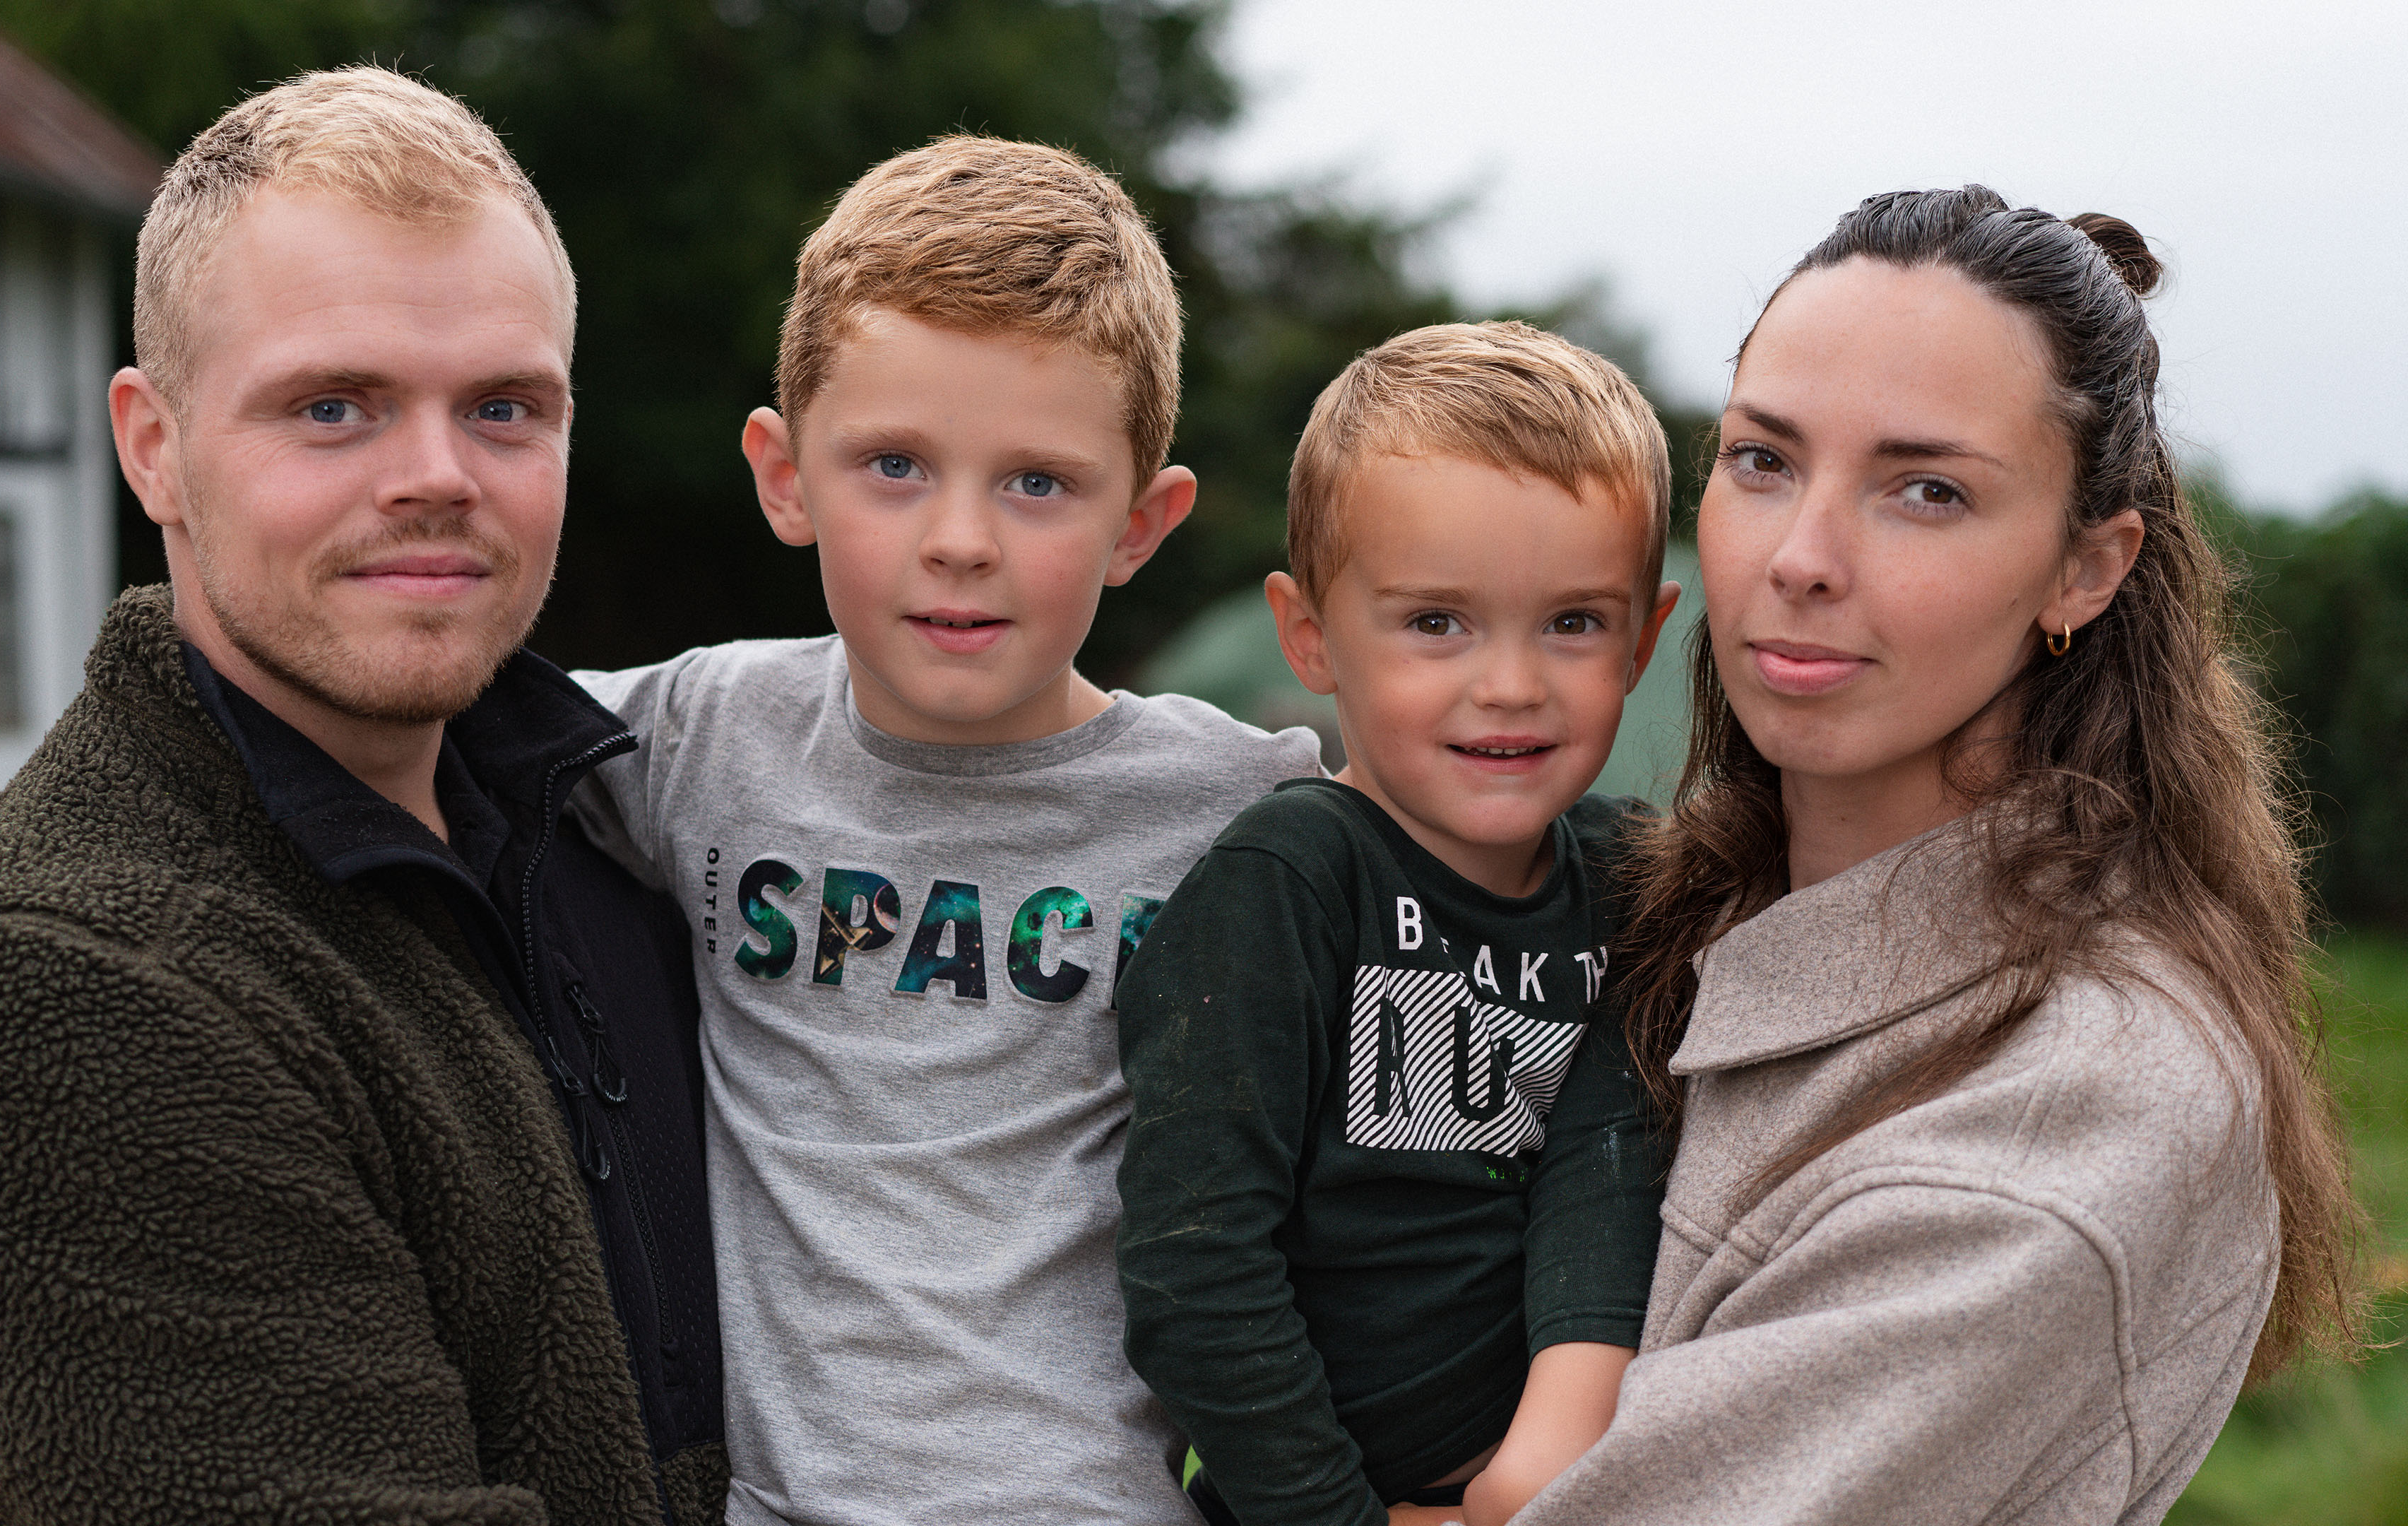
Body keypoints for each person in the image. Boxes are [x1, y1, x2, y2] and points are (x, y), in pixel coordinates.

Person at [0, 68, 725, 1523]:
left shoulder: (631, 827)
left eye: (504, 405)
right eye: (333, 407)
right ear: (154, 446)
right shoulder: (44, 998)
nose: (438, 475)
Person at [1514, 188, 2365, 1525]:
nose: (1800, 558)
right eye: (1763, 460)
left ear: (2086, 571)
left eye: (1927, 491)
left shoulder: (2059, 1125)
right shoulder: (1645, 905)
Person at [564, 135, 1324, 1525]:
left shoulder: (1248, 808)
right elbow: (408, 725)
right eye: (895, 466)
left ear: (1141, 524)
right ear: (785, 477)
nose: (961, 538)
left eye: (1037, 483)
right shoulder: (698, 738)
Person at [1113, 321, 1683, 1526]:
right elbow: (1198, 1263)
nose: (1512, 684)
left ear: (1644, 636)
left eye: (1574, 623)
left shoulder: (1630, 881)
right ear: (1310, 635)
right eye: (1438, 623)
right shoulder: (1290, 881)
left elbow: (1610, 1180)